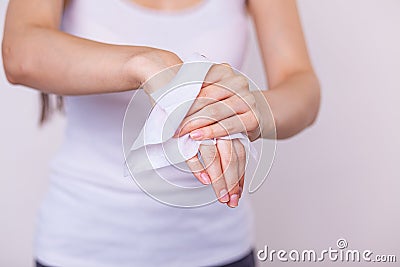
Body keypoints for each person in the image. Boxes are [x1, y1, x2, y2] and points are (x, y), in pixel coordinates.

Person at [2, 0, 320, 266]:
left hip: (218, 248)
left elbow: (301, 84)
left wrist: (247, 108)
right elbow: (20, 51)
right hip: (81, 248)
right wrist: (148, 65)